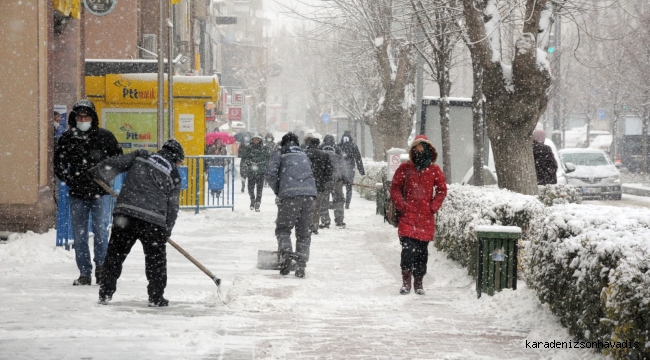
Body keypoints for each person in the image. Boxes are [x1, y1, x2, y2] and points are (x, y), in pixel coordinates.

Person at [89, 139, 184, 307]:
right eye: (178, 162)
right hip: (153, 221)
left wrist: (97, 172)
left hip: (126, 214)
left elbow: (115, 163)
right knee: (156, 261)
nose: (177, 165)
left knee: (115, 255)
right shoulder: (174, 175)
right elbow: (173, 206)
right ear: (175, 158)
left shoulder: (142, 155)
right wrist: (166, 229)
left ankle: (105, 293)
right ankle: (156, 297)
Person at [53, 100, 123, 286]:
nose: (83, 120)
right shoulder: (67, 139)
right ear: (74, 119)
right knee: (80, 234)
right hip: (78, 193)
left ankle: (101, 268)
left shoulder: (105, 137)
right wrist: (70, 178)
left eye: (86, 117)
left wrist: (104, 173)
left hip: (101, 192)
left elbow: (118, 160)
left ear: (93, 118)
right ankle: (84, 272)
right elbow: (59, 164)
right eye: (80, 117)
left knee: (100, 230)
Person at [390, 135, 447, 296]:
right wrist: (402, 205)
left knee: (422, 252)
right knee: (407, 250)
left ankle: (419, 283)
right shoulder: (405, 168)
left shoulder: (434, 170)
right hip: (407, 217)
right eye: (417, 149)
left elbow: (442, 190)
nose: (419, 152)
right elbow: (395, 187)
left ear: (429, 150)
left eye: (422, 149)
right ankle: (406, 283)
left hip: (425, 219)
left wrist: (432, 207)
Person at [265, 132, 317, 278]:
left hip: (290, 196)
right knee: (304, 232)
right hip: (309, 195)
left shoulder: (280, 153)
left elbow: (270, 173)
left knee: (283, 229)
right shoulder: (303, 154)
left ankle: (287, 254)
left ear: (283, 143)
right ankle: (301, 265)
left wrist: (279, 190)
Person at [320, 134, 351, 229]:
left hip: (324, 180)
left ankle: (325, 221)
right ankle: (339, 220)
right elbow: (343, 165)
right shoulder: (337, 149)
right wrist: (345, 177)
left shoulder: (320, 148)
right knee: (338, 200)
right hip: (337, 180)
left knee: (323, 200)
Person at [304, 137, 333, 235]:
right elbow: (329, 171)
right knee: (317, 207)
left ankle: (305, 225)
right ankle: (314, 226)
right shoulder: (324, 155)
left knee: (306, 206)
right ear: (318, 144)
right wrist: (323, 180)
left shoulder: (304, 154)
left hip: (306, 185)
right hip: (319, 185)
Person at [241, 134, 270, 211]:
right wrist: (249, 163)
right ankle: (252, 200)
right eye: (254, 139)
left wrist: (262, 164)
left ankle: (258, 203)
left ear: (260, 140)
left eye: (257, 140)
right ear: (252, 140)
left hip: (261, 171)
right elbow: (244, 158)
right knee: (250, 187)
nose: (256, 141)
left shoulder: (264, 148)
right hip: (251, 171)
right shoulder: (248, 148)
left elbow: (268, 158)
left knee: (259, 188)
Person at [339, 131, 365, 209]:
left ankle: (340, 201)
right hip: (350, 168)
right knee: (349, 186)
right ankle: (347, 203)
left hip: (340, 169)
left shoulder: (339, 146)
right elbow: (358, 159)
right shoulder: (353, 146)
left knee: (338, 186)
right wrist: (361, 171)